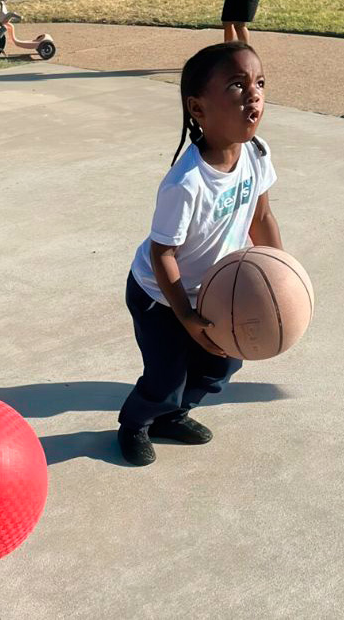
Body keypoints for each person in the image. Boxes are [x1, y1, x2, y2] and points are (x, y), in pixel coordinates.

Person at [117, 42, 283, 466]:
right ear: (198, 108)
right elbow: (163, 254)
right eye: (236, 85)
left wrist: (280, 274)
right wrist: (186, 317)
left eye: (259, 83)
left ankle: (174, 416)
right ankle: (135, 423)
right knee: (166, 377)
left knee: (219, 368)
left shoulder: (256, 154)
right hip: (161, 296)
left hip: (215, 290)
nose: (254, 94)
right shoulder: (186, 182)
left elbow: (260, 216)